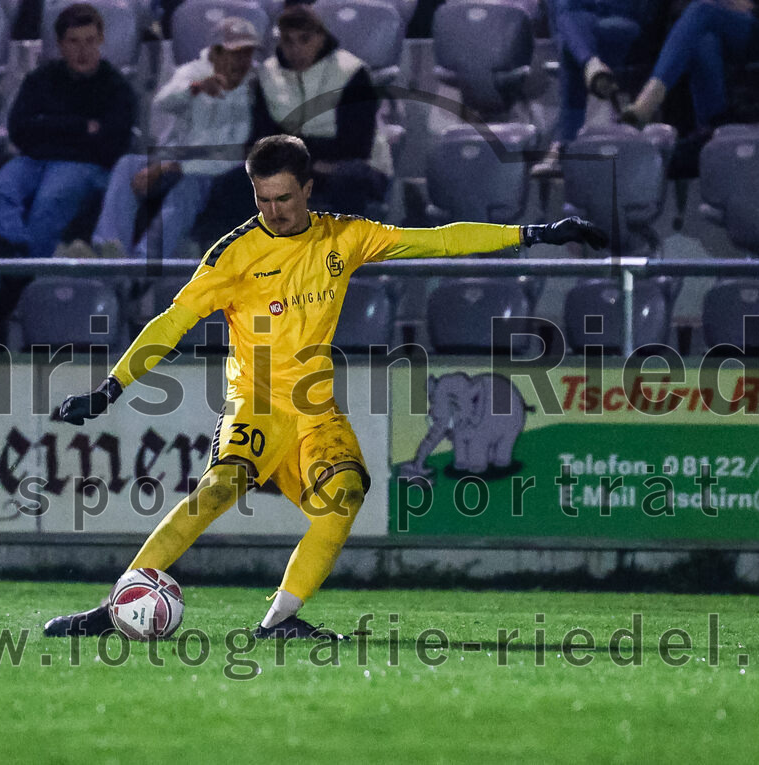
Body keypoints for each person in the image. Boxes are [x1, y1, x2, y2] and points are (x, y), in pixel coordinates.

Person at [42, 134, 609, 640]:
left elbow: (438, 241)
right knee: (217, 490)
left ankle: (279, 621)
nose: (273, 211)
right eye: (262, 199)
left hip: (315, 410)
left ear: (308, 188)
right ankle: (114, 606)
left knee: (345, 498)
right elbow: (172, 322)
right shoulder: (233, 255)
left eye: (284, 198)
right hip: (255, 403)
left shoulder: (345, 238)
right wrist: (111, 387)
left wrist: (531, 233)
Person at [83, 17, 259, 261]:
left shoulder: (253, 85)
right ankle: (110, 249)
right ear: (216, 53)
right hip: (172, 157)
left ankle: (144, 262)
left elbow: (233, 152)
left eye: (247, 53)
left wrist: (174, 166)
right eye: (235, 53)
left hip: (214, 170)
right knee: (127, 165)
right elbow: (163, 102)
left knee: (189, 185)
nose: (242, 61)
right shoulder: (194, 72)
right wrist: (195, 89)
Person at [0, 2, 136, 260]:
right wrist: (79, 127)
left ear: (100, 40)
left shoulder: (116, 87)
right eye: (74, 41)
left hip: (83, 164)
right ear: (60, 44)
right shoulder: (40, 79)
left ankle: (28, 270)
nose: (83, 50)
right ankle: (22, 253)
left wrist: (47, 124)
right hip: (35, 159)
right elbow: (18, 128)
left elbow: (112, 142)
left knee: (49, 201)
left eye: (89, 41)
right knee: (0, 189)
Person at [250, 2, 391, 216]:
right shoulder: (267, 74)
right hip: (295, 168)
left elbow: (356, 145)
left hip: (359, 165)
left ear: (321, 37)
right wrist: (311, 163)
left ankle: (347, 248)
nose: (296, 49)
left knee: (348, 178)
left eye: (304, 39)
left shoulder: (352, 72)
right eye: (288, 41)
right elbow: (263, 139)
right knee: (241, 178)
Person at [533, 0, 658, 176]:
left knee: (570, 36)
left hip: (624, 12)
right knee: (570, 21)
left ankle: (563, 142)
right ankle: (591, 63)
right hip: (582, 12)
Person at [620, 0, 759, 129]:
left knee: (702, 11)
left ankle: (650, 98)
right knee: (704, 40)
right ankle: (714, 125)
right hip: (715, 26)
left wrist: (752, 7)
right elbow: (678, 9)